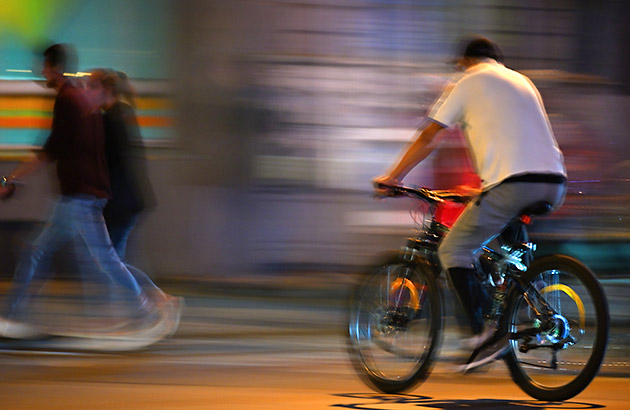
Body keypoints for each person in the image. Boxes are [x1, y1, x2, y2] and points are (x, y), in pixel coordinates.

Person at [373, 36, 567, 371]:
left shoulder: (467, 81)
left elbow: (429, 134)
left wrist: (393, 177)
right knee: (509, 253)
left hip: (513, 184)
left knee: (453, 251)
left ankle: (488, 334)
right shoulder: (522, 81)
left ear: (464, 62)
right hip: (554, 183)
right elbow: (514, 138)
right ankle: (535, 308)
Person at [0, 44, 174, 340]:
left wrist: (10, 179)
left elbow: (49, 150)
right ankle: (14, 315)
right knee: (41, 250)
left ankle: (145, 310)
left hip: (78, 197)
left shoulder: (69, 101)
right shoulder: (79, 102)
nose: (41, 72)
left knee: (101, 259)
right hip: (78, 197)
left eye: (43, 67)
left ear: (54, 68)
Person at [85, 68, 178, 308]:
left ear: (104, 91)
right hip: (129, 200)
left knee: (111, 261)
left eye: (91, 87)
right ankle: (137, 304)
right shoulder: (122, 113)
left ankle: (150, 301)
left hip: (121, 202)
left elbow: (108, 162)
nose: (87, 92)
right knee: (116, 259)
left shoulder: (110, 120)